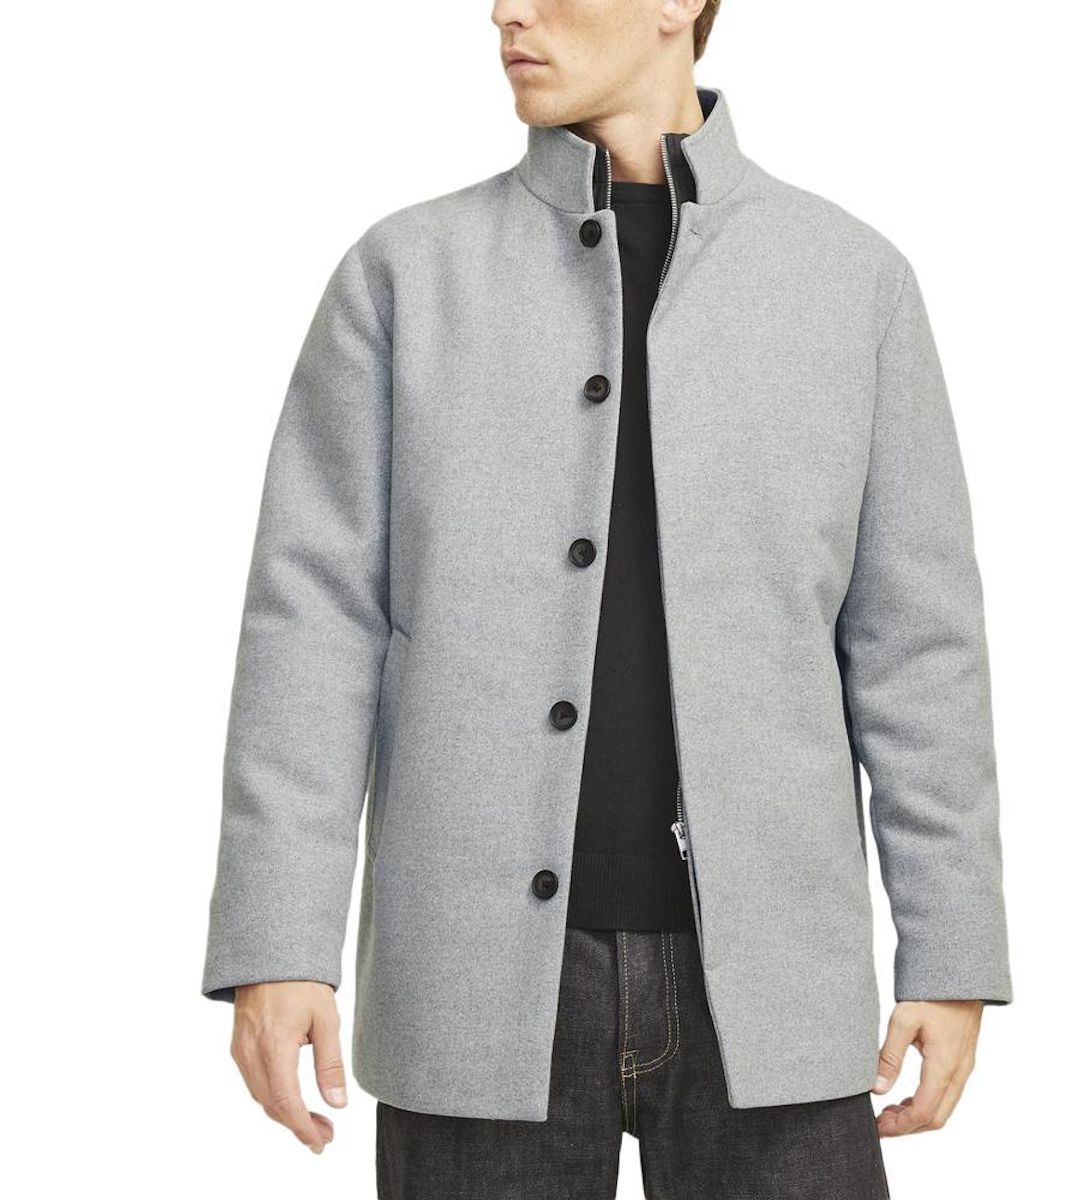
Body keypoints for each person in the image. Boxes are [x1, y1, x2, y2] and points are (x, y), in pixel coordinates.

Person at [201, 2, 1013, 1195]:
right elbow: (312, 623)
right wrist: (277, 940)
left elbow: (917, 647)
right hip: (472, 980)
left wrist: (952, 952)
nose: (506, 11)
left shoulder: (852, 283)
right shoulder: (405, 277)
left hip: (777, 981)